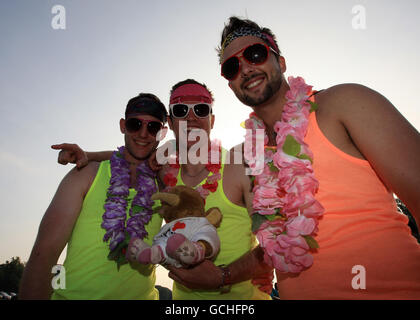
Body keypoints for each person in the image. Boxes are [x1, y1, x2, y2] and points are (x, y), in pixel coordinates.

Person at [215, 16, 420, 299]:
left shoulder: (344, 103)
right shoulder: (251, 158)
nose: (246, 68)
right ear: (230, 84)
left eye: (255, 54)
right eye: (232, 67)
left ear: (281, 62)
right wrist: (220, 275)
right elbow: (275, 248)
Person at [53, 79, 273, 300]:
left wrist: (222, 276)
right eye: (180, 110)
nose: (191, 117)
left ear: (212, 119)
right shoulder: (163, 172)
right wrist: (88, 155)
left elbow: (278, 244)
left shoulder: (241, 165)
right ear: (171, 122)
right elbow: (129, 156)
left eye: (201, 109)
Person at [19, 93, 167, 299]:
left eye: (153, 128)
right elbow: (45, 252)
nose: (143, 133)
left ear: (162, 133)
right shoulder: (87, 174)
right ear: (123, 125)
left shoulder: (164, 182)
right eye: (135, 124)